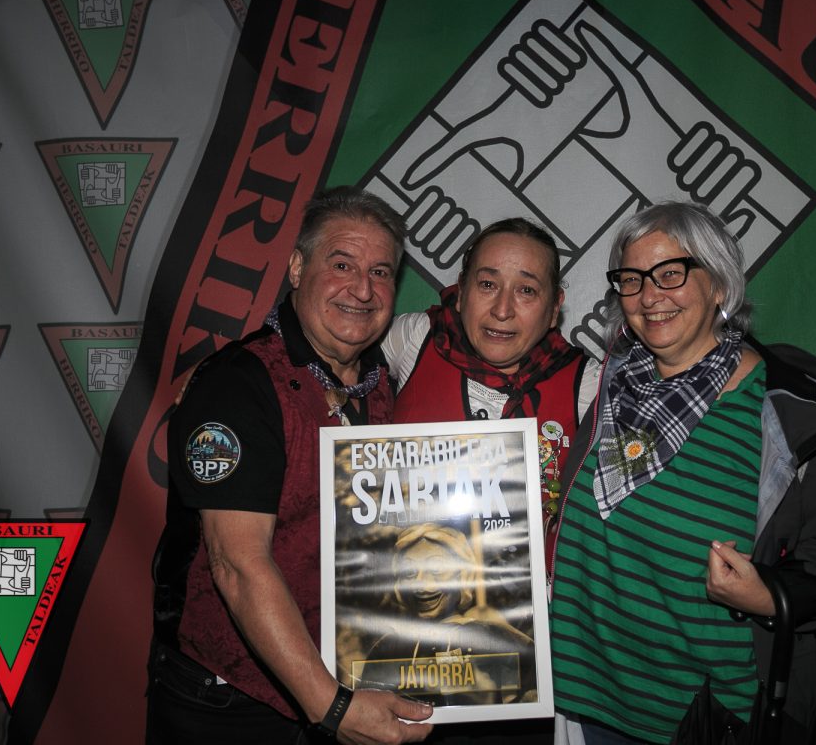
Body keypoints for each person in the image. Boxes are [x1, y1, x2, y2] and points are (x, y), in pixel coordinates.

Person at [549, 201, 816, 743]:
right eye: (631, 279)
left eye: (671, 273)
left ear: (720, 286)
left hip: (708, 721)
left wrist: (772, 595)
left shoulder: (790, 408)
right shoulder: (605, 384)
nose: (649, 296)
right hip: (590, 703)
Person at [147, 187, 434, 744]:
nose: (362, 289)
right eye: (342, 264)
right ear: (298, 268)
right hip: (230, 702)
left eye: (380, 272)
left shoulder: (381, 384)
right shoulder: (237, 385)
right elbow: (238, 565)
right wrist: (332, 707)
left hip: (342, 682)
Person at [383, 218, 600, 536]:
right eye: (487, 284)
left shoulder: (587, 384)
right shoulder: (419, 338)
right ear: (461, 292)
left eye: (526, 290)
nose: (502, 310)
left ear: (555, 308)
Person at [355, 523, 537, 706]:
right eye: (409, 572)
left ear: (462, 573)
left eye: (436, 569)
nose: (421, 583)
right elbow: (369, 706)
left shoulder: (491, 636)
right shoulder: (387, 649)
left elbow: (536, 687)